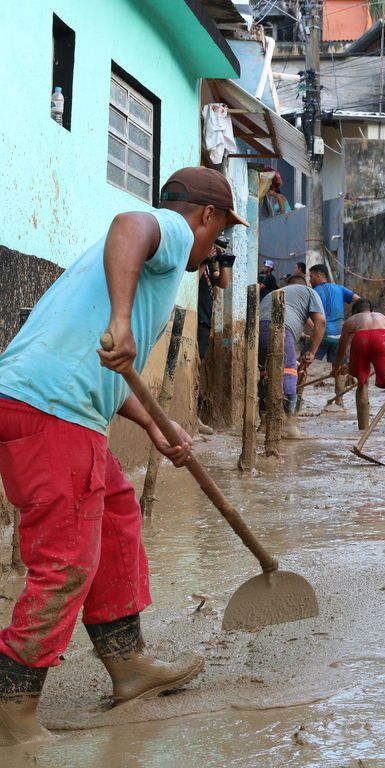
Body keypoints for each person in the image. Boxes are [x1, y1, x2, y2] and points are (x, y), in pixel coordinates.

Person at [0, 166, 248, 745]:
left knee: (115, 515)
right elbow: (128, 222)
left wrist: (154, 427)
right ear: (205, 216)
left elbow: (104, 369)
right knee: (66, 561)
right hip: (50, 411)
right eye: (220, 235)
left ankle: (127, 663)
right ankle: (12, 712)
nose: (213, 251)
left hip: (50, 404)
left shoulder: (140, 265)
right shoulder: (172, 230)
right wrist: (120, 318)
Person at [258, 274, 326, 438]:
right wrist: (312, 352)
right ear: (305, 285)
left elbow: (309, 324)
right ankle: (290, 425)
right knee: (289, 372)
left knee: (266, 374)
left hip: (258, 330)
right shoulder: (310, 292)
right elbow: (321, 322)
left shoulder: (276, 293)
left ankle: (264, 422)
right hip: (282, 327)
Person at [332, 299, 385, 434]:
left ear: (355, 312)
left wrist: (336, 367)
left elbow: (342, 347)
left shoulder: (351, 321)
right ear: (370, 310)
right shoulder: (382, 317)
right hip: (382, 339)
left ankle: (363, 429)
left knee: (362, 383)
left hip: (361, 339)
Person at [308, 264, 359, 411]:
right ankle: (339, 401)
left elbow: (307, 315)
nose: (310, 280)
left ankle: (296, 398)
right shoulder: (340, 288)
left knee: (303, 362)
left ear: (318, 276)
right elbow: (359, 300)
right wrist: (351, 318)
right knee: (339, 368)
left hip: (321, 334)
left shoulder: (313, 292)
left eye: (311, 277)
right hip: (339, 335)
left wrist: (313, 329)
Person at [196, 236, 232, 435]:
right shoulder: (196, 260)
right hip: (197, 318)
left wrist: (224, 262)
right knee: (196, 365)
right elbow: (192, 280)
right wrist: (204, 259)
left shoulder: (212, 265)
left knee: (199, 364)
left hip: (205, 320)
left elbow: (224, 284)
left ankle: (196, 416)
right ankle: (193, 416)